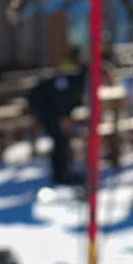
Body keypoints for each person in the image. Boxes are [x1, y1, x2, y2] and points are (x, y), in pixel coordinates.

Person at [28, 48, 86, 186]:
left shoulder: (78, 77)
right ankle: (61, 175)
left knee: (62, 139)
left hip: (51, 107)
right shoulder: (76, 78)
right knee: (60, 139)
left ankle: (64, 171)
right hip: (45, 106)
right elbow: (62, 98)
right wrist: (63, 116)